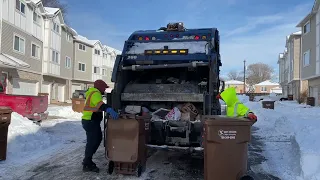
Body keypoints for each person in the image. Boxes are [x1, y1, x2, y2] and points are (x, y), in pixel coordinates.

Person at [81, 79, 119, 173]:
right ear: (100, 87)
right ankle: (87, 163)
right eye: (104, 88)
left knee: (96, 139)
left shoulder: (92, 92)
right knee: (92, 141)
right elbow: (100, 105)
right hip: (90, 121)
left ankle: (87, 160)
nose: (104, 90)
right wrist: (109, 109)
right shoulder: (95, 93)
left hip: (90, 120)